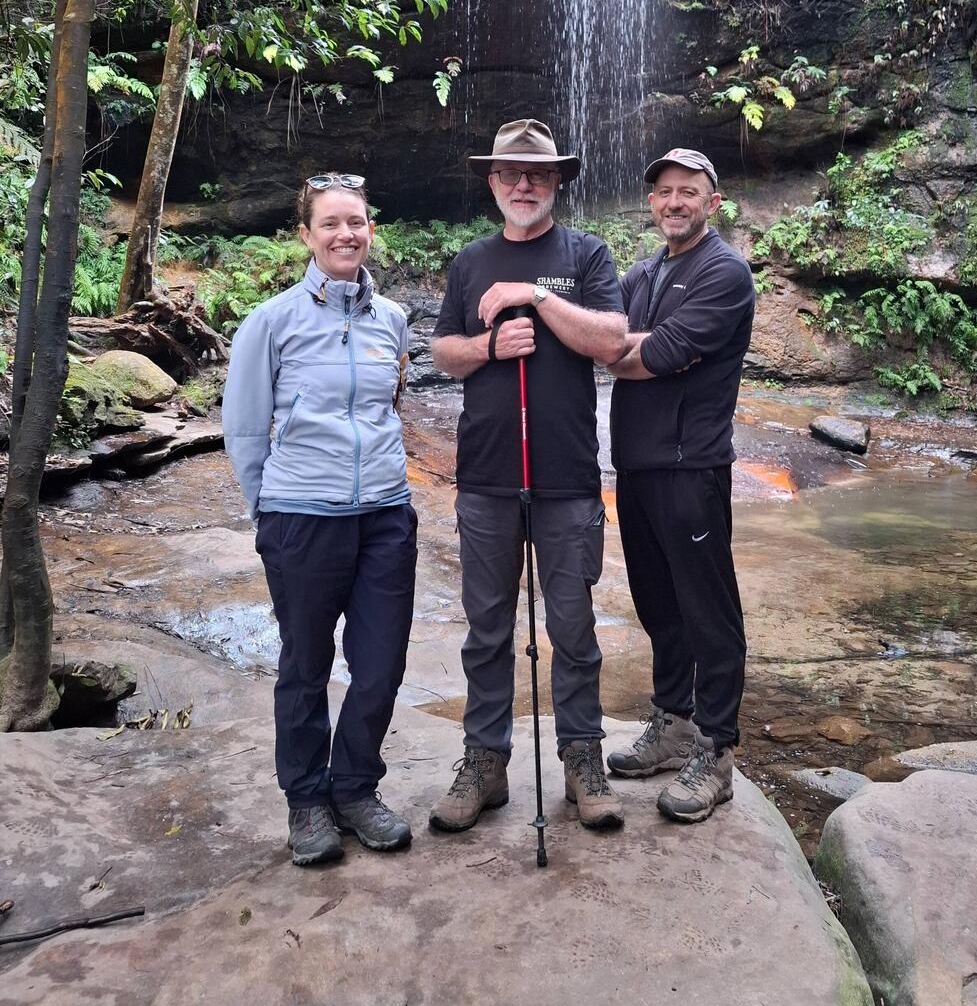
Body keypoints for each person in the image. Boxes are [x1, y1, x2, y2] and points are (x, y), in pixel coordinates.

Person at [428, 119, 628, 833]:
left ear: (556, 183)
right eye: (510, 174)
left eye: (536, 175)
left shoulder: (587, 254)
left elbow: (610, 341)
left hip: (568, 478)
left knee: (573, 627)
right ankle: (485, 762)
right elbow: (443, 352)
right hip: (486, 476)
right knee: (486, 629)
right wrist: (489, 344)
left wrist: (536, 298)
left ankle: (582, 759)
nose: (522, 185)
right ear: (491, 183)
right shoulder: (468, 262)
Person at [222, 172, 417, 867]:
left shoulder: (391, 319)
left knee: (381, 663)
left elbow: (389, 408)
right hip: (302, 518)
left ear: (371, 230)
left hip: (387, 516)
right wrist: (268, 510)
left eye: (357, 222)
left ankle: (356, 788)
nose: (346, 234)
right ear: (305, 235)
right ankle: (307, 800)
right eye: (330, 223)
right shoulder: (270, 323)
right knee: (306, 664)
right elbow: (245, 431)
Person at [607, 148, 755, 823]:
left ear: (712, 202)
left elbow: (653, 356)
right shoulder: (641, 274)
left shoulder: (725, 273)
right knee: (659, 604)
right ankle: (672, 724)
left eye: (688, 192)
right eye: (664, 192)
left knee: (709, 610)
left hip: (691, 467)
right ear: (651, 203)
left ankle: (717, 751)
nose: (675, 202)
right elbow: (623, 348)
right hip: (636, 468)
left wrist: (619, 350)